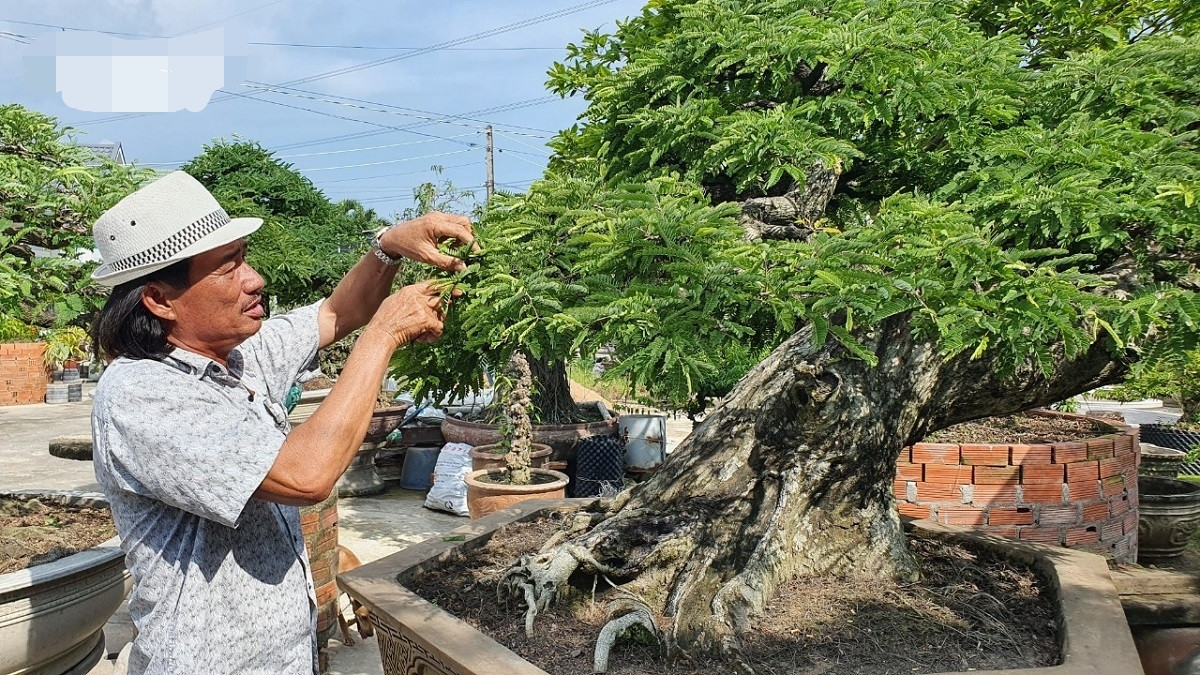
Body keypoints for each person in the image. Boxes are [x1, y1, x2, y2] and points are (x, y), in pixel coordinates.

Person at [88, 171, 473, 674]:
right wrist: (384, 336)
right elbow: (306, 474)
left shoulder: (238, 355)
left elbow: (338, 311)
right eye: (228, 268)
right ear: (159, 299)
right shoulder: (141, 395)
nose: (254, 279)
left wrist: (388, 247)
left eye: (244, 258)